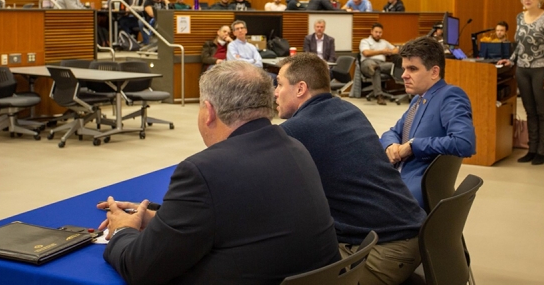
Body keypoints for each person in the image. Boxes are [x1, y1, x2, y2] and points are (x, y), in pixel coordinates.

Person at [98, 61, 341, 284]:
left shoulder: (203, 170)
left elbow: (140, 268)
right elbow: (244, 216)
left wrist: (122, 229)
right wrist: (162, 221)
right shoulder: (295, 148)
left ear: (209, 111)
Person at [276, 53, 426, 285]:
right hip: (415, 236)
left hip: (385, 251)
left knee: (279, 265)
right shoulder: (348, 109)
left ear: (300, 89)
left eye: (279, 83)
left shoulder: (296, 130)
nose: (275, 92)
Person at [380, 36, 476, 206]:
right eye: (404, 69)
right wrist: (390, 145)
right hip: (397, 182)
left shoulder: (450, 96)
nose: (404, 76)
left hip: (413, 193)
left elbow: (464, 142)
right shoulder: (418, 99)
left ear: (434, 72)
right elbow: (393, 132)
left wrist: (412, 146)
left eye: (412, 69)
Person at [497, 0, 544, 165]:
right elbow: (520, 46)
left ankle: (543, 150)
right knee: (530, 111)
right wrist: (511, 60)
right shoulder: (520, 17)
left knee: (543, 112)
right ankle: (532, 148)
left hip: (542, 70)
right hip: (523, 70)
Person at [359, 23, 399, 105]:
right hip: (367, 62)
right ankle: (379, 96)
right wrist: (382, 51)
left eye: (380, 32)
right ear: (371, 32)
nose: (378, 34)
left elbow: (396, 50)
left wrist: (390, 51)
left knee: (395, 66)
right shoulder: (365, 41)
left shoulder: (384, 42)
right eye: (376, 32)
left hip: (382, 64)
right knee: (373, 66)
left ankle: (411, 93)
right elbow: (366, 53)